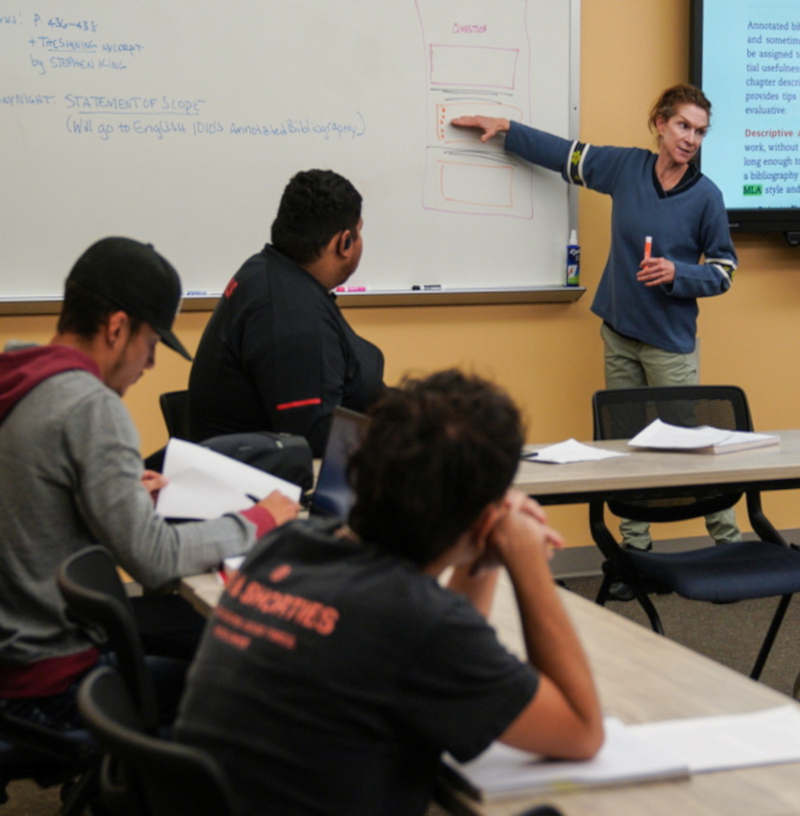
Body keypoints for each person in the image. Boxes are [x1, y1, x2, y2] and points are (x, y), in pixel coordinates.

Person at [175, 369, 604, 816]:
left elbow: (451, 658)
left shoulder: (285, 547)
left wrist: (484, 549)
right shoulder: (412, 619)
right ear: (480, 517)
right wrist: (524, 554)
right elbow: (581, 730)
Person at [0, 237, 300, 732]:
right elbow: (155, 560)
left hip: (12, 664)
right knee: (251, 689)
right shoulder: (91, 406)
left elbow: (34, 507)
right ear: (117, 328)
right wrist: (260, 520)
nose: (151, 364)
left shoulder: (21, 375)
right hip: (49, 686)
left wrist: (117, 494)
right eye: (153, 342)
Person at [453, 83, 740, 555]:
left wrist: (677, 274)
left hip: (670, 343)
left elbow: (725, 271)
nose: (691, 139)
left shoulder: (706, 196)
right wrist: (507, 129)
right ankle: (634, 551)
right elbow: (565, 155)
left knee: (691, 447)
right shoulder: (626, 168)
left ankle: (729, 544)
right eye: (683, 126)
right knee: (625, 447)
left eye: (701, 132)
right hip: (619, 332)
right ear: (660, 124)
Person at [187, 169, 385, 457]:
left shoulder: (266, 271)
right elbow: (313, 438)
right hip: (277, 487)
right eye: (359, 231)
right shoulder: (292, 315)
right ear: (343, 243)